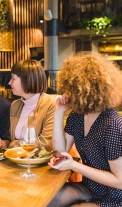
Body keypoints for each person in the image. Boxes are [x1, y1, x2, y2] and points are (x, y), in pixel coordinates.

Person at [48, 52, 122, 207]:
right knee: (48, 200)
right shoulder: (77, 115)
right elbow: (59, 152)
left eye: (72, 88)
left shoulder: (113, 124)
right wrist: (59, 112)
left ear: (87, 91)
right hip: (91, 187)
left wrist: (74, 165)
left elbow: (119, 181)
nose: (67, 93)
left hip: (115, 196)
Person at [0, 60, 55, 149]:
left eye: (13, 78)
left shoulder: (51, 104)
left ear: (27, 80)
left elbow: (45, 144)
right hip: (16, 160)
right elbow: (11, 140)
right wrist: (2, 143)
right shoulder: (15, 105)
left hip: (42, 162)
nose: (9, 83)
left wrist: (13, 144)